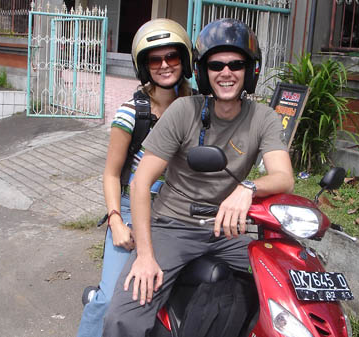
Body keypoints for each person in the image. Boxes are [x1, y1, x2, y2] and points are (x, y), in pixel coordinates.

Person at [102, 18, 294, 337]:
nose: (226, 72)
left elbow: (283, 177)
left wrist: (248, 188)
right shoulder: (184, 112)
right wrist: (146, 256)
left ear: (250, 71)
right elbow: (140, 182)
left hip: (229, 229)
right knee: (124, 317)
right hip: (173, 226)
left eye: (236, 64)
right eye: (216, 64)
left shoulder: (264, 117)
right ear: (204, 71)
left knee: (279, 289)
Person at [76, 18, 193, 337]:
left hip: (180, 212)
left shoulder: (199, 109)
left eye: (172, 57)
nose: (165, 65)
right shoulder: (132, 113)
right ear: (144, 65)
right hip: (131, 211)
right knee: (112, 300)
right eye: (155, 59)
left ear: (185, 61)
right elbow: (112, 173)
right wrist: (115, 221)